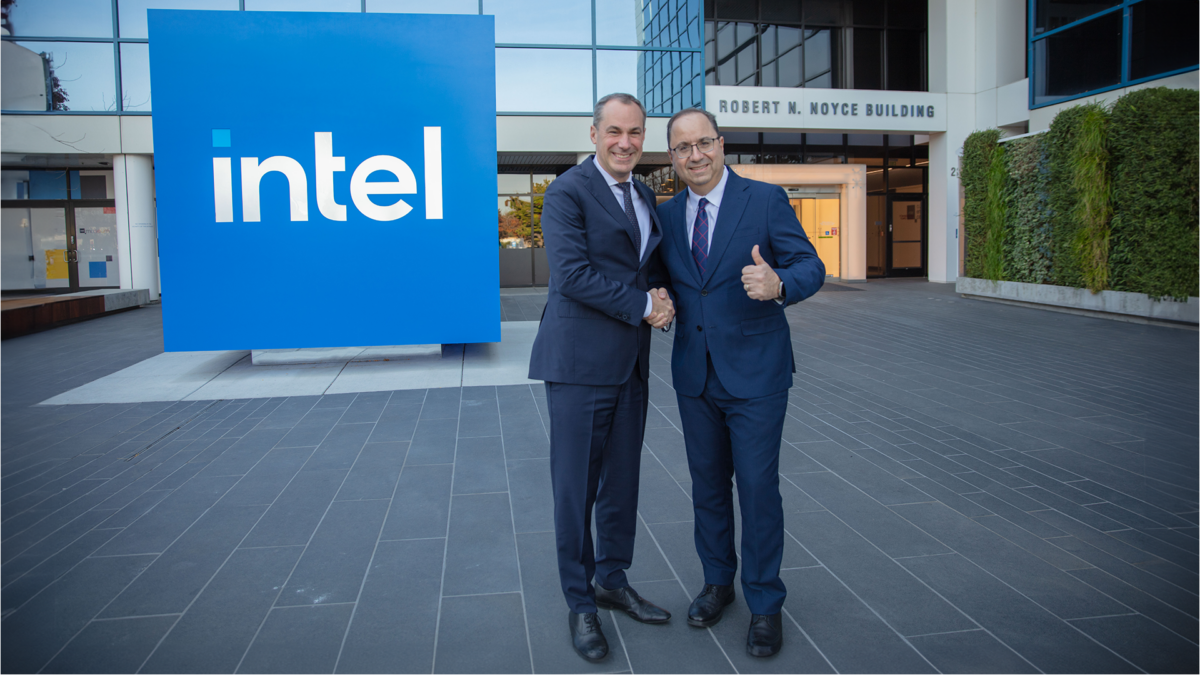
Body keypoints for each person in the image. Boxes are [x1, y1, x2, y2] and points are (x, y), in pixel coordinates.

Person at [651, 107, 825, 657]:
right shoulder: (668, 214)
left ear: (721, 145)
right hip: (695, 374)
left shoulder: (765, 200)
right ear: (672, 157)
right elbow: (666, 278)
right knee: (707, 489)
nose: (695, 155)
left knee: (756, 489)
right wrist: (658, 297)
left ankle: (766, 603)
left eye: (704, 143)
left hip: (757, 375)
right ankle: (717, 583)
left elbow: (810, 265)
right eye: (683, 148)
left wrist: (779, 285)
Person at [528, 93, 676, 663]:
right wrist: (645, 306)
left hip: (630, 364)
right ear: (594, 133)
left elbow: (647, 270)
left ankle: (612, 580)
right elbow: (573, 277)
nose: (625, 142)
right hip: (578, 364)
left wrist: (662, 299)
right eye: (613, 131)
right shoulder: (567, 191)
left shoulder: (643, 192)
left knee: (621, 483)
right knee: (575, 489)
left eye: (635, 132)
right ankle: (580, 602)